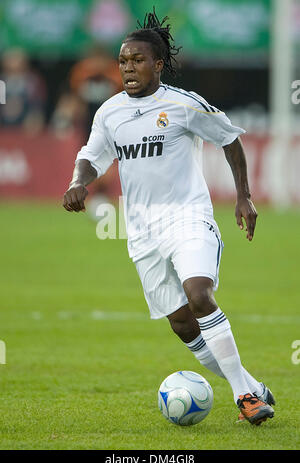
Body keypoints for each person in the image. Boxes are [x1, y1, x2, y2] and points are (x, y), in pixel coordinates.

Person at [63, 9, 275, 425]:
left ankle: (244, 398)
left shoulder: (182, 104)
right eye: (123, 61)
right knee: (181, 322)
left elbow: (229, 139)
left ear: (158, 64)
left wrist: (243, 198)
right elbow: (91, 155)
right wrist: (78, 181)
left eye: (138, 60)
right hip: (141, 231)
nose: (128, 67)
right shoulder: (109, 112)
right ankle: (252, 384)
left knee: (199, 295)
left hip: (188, 218)